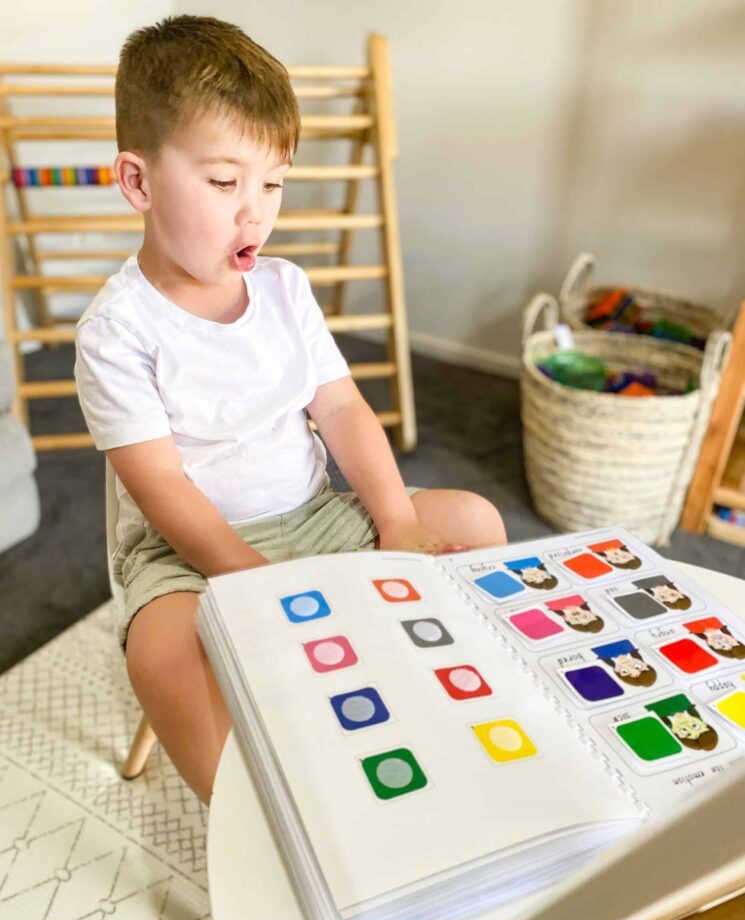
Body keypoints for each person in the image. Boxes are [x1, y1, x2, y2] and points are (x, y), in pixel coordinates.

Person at [74, 15, 507, 805]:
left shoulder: (283, 289)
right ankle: (252, 816)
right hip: (187, 551)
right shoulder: (116, 331)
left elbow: (341, 410)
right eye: (222, 182)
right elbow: (161, 488)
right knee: (162, 653)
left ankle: (424, 707)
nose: (255, 212)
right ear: (138, 182)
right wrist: (247, 579)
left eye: (272, 182)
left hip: (312, 514)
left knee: (472, 519)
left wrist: (393, 517)